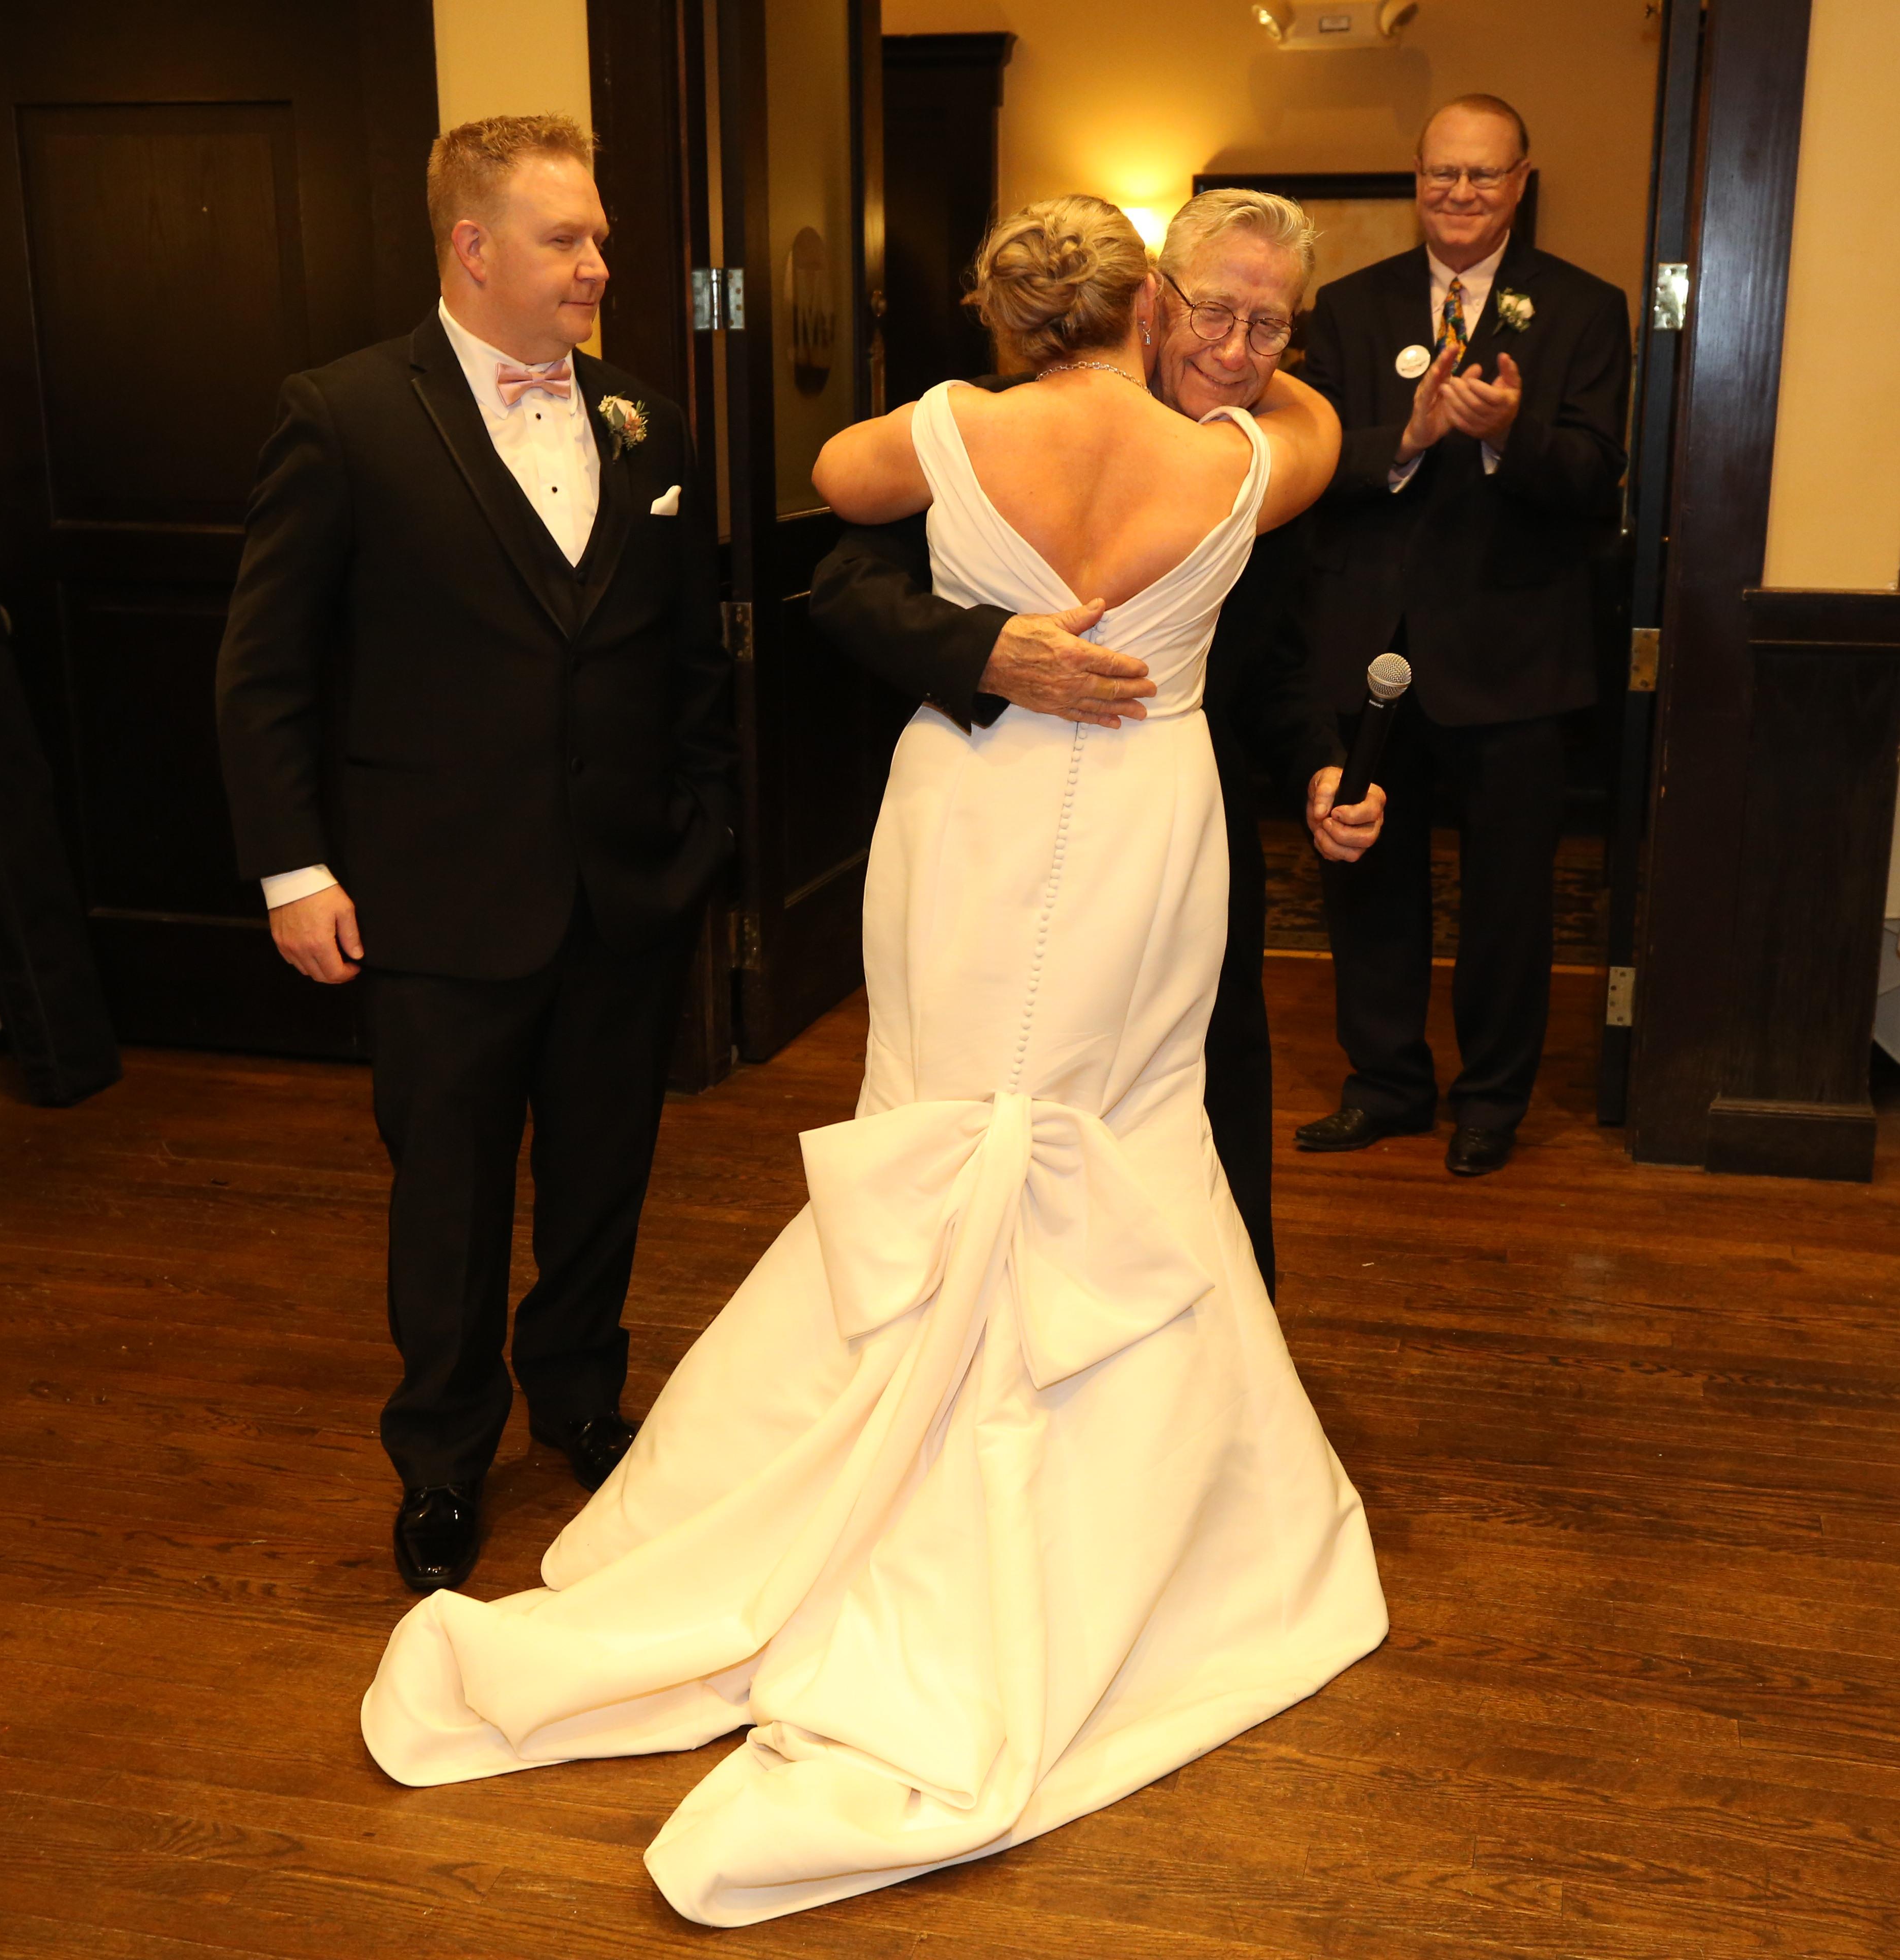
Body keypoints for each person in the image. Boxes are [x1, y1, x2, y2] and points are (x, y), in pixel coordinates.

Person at [359, 196, 1388, 1927]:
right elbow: (1315, 429)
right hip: (1147, 821)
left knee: (936, 1109)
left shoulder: (943, 434)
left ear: (1004, 311)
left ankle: (855, 1459)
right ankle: (1123, 1500)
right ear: (1143, 303)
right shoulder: (1237, 466)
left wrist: (980, 416)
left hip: (974, 827)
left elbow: (835, 489)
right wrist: (1227, 399)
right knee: (1126, 1124)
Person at [213, 115, 733, 1595]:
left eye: (599, 236)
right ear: (473, 246)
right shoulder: (345, 415)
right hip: (433, 892)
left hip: (624, 885)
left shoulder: (649, 423)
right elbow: (265, 671)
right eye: (567, 239)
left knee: (602, 1172)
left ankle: (576, 1390)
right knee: (445, 1189)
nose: (598, 264)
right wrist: (293, 871)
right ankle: (442, 1458)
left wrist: (700, 834)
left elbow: (689, 659)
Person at [808, 187, 1385, 1294]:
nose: (1237, 349)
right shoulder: (1002, 415)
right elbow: (843, 584)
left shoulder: (1241, 448)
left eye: (1272, 328)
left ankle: (1215, 1341)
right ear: (1151, 300)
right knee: (962, 1082)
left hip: (1173, 827)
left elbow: (1278, 663)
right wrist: (985, 651)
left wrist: (1321, 762)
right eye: (1214, 312)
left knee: (1199, 1093)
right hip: (988, 803)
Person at [1295, 93, 1631, 1177]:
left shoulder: (1583, 309)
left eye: (1483, 176)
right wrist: (1411, 434)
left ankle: (1492, 1101)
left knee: (1508, 902)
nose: (1459, 194)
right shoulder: (1348, 309)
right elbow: (1309, 470)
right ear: (1417, 174)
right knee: (1368, 883)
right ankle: (1385, 1083)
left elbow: (1595, 481)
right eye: (1443, 173)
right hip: (1375, 651)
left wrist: (1504, 439)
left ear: (1520, 183)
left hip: (1516, 661)